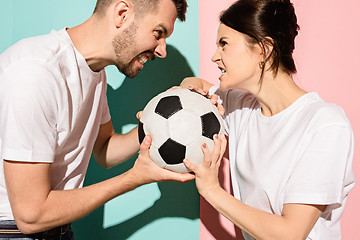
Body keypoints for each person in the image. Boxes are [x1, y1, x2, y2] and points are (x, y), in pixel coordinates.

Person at [0, 0, 195, 239]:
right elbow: (31, 215)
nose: (161, 50)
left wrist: (166, 114)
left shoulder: (95, 72)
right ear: (122, 13)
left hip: (57, 230)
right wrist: (134, 179)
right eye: (158, 33)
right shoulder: (36, 73)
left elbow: (105, 150)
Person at [180, 0, 355, 239]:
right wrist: (181, 103)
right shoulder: (240, 108)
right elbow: (194, 85)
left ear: (263, 49)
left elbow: (290, 234)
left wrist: (212, 190)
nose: (214, 57)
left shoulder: (325, 124)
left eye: (224, 45)